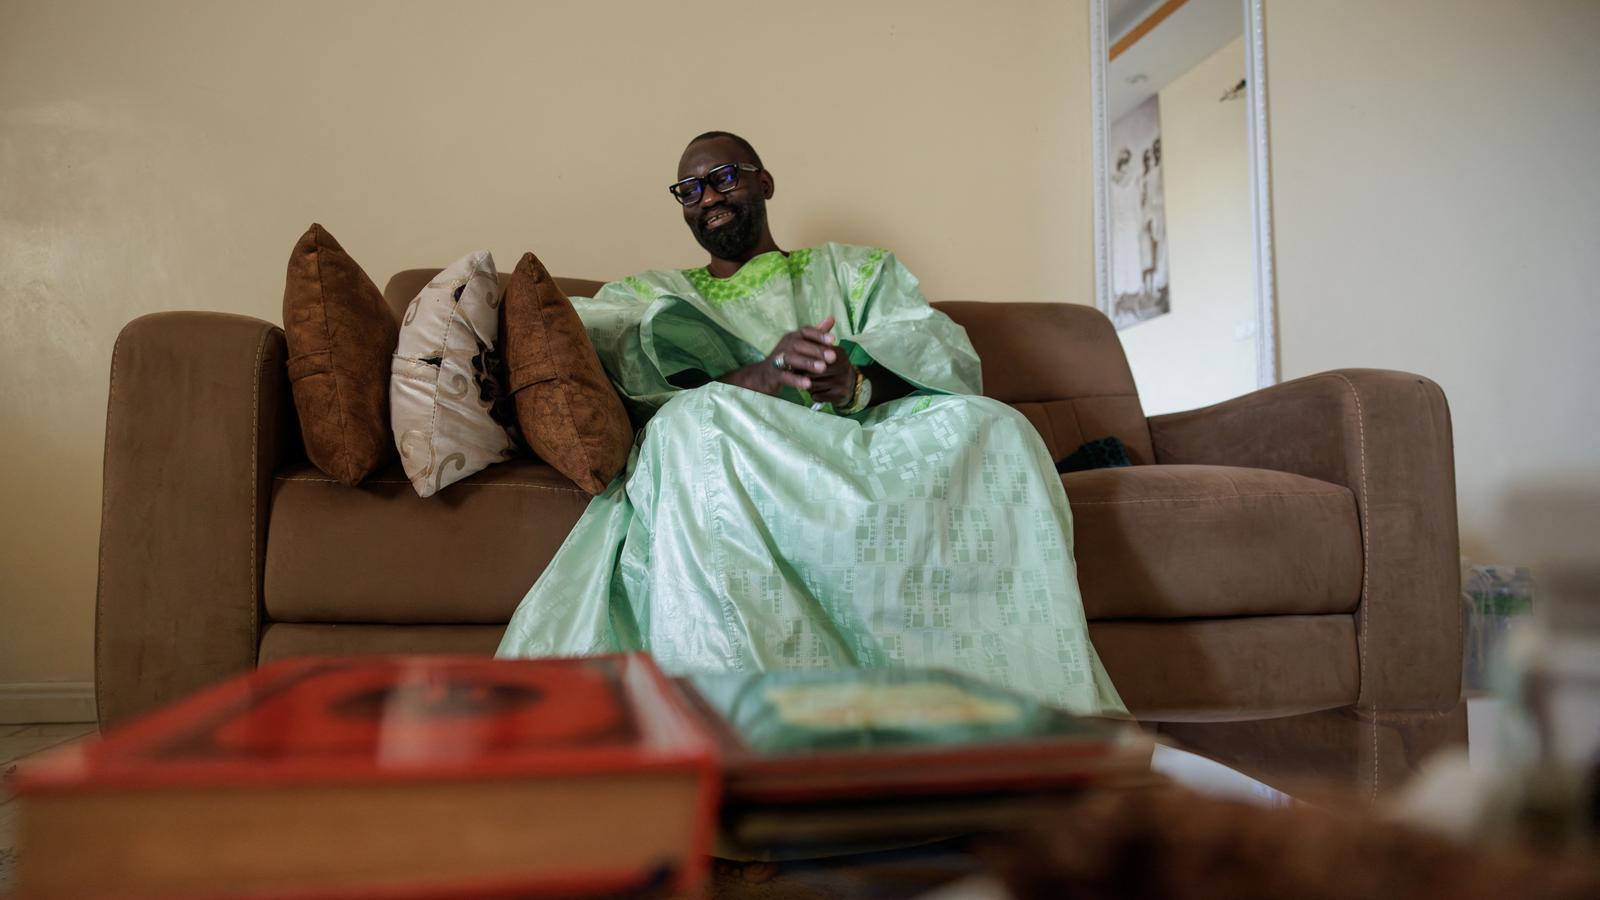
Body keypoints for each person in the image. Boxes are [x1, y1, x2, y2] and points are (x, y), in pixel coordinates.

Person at [496, 132, 1124, 716]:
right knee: (694, 420)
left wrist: (856, 380)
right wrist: (765, 375)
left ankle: (1027, 724)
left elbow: (937, 350)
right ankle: (751, 726)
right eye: (689, 190)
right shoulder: (655, 291)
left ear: (764, 183)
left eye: (722, 178)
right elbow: (623, 363)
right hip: (741, 448)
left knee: (995, 426)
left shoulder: (853, 271)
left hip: (859, 441)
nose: (707, 198)